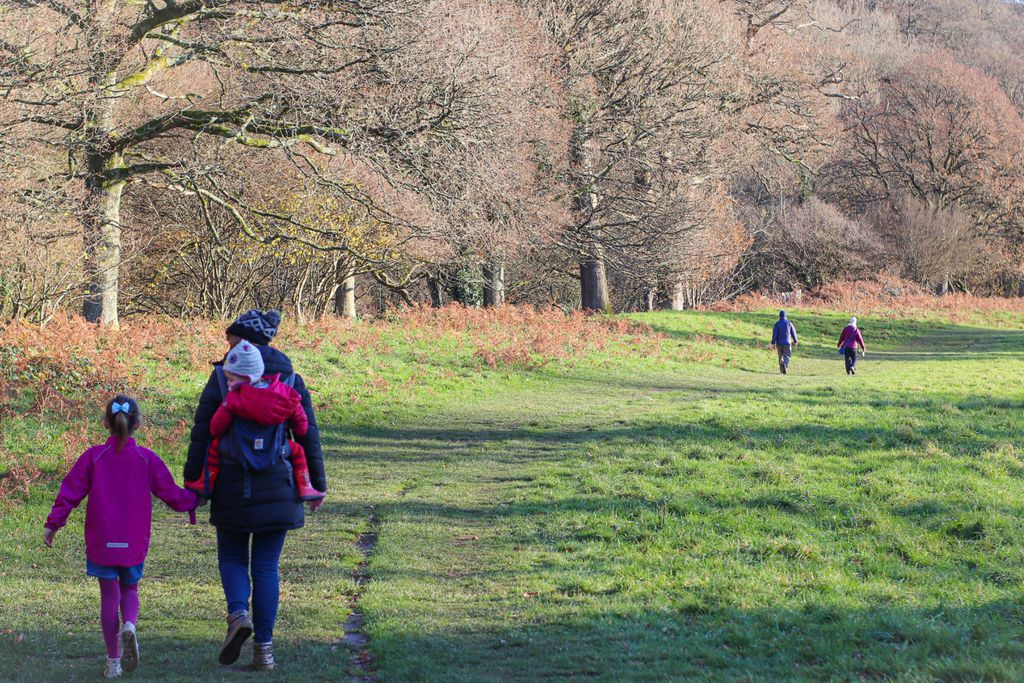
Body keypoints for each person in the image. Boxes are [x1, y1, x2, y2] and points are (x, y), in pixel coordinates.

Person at [184, 309, 326, 672]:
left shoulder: (222, 378)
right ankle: (264, 648)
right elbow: (308, 435)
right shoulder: (291, 379)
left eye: (231, 336)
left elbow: (203, 432)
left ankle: (238, 615)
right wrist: (318, 485)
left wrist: (193, 483)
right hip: (279, 486)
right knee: (266, 566)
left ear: (244, 339)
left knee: (232, 558)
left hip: (231, 483)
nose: (226, 341)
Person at [43, 396, 200, 679]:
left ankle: (113, 661)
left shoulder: (93, 457)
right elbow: (172, 495)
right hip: (134, 539)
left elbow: (70, 492)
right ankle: (129, 623)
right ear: (138, 424)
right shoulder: (147, 459)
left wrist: (54, 524)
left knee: (108, 595)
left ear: (106, 423)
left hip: (102, 538)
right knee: (130, 589)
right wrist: (196, 498)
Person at [184, 341, 324, 502]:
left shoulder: (233, 398)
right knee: (298, 450)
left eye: (231, 379)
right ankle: (305, 485)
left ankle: (206, 482)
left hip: (236, 448)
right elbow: (301, 423)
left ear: (246, 377)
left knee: (214, 447)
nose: (228, 383)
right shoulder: (285, 394)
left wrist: (218, 431)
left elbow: (216, 427)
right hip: (279, 448)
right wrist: (300, 430)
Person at [769, 310, 798, 374]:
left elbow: (774, 335)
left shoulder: (777, 324)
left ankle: (781, 369)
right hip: (787, 343)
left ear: (779, 316)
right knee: (787, 355)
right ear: (785, 316)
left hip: (779, 344)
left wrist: (773, 343)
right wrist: (795, 341)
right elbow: (793, 333)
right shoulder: (789, 323)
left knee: (780, 356)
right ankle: (785, 365)